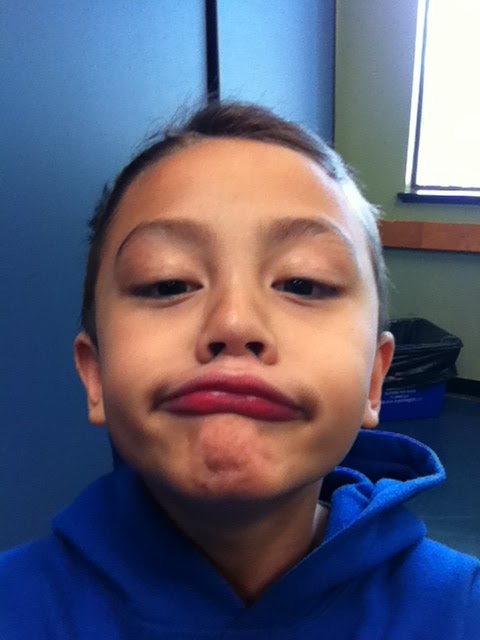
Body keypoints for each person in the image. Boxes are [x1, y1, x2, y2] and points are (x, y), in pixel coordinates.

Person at [0, 101, 478, 639]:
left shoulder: (461, 611)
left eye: (302, 283)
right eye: (167, 283)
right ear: (95, 376)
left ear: (374, 380)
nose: (233, 322)